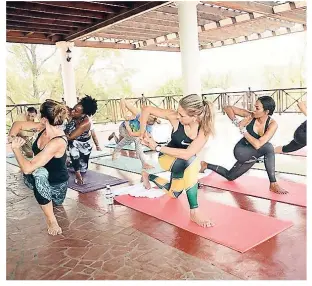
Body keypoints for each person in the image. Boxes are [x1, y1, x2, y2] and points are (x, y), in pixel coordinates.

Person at [139, 94, 215, 228]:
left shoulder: (204, 130)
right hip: (166, 158)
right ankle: (194, 211)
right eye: (178, 112)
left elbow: (186, 154)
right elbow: (146, 109)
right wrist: (142, 132)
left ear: (195, 116)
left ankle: (147, 175)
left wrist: (156, 146)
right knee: (193, 161)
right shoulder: (175, 118)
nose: (178, 116)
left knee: (174, 193)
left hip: (182, 161)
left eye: (182, 115)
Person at [200, 96, 287, 194]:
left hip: (253, 154)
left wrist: (243, 129)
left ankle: (206, 165)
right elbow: (227, 108)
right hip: (241, 151)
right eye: (254, 106)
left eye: (257, 108)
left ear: (266, 112)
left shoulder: (272, 124)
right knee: (269, 147)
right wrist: (237, 122)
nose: (254, 110)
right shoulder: (251, 115)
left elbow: (258, 144)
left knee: (230, 176)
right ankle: (273, 183)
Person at [8, 100, 69, 236]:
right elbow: (17, 124)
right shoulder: (43, 127)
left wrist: (16, 148)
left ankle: (51, 220)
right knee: (39, 173)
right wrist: (12, 137)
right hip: (36, 181)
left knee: (38, 172)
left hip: (56, 188)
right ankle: (48, 212)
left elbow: (27, 169)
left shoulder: (58, 141)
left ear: (44, 118)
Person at [111, 99, 158, 169]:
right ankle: (144, 163)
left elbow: (132, 134)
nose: (140, 120)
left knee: (133, 141)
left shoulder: (147, 128)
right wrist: (125, 115)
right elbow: (122, 100)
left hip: (130, 131)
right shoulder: (138, 113)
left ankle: (115, 149)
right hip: (123, 129)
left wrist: (154, 144)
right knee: (130, 140)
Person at [64, 95, 98, 185]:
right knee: (73, 150)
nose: (73, 111)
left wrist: (57, 132)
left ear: (83, 114)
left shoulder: (85, 123)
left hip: (85, 145)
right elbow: (71, 139)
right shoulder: (71, 111)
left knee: (83, 168)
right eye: (74, 108)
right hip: (73, 142)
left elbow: (70, 136)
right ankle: (77, 174)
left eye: (76, 111)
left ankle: (71, 164)